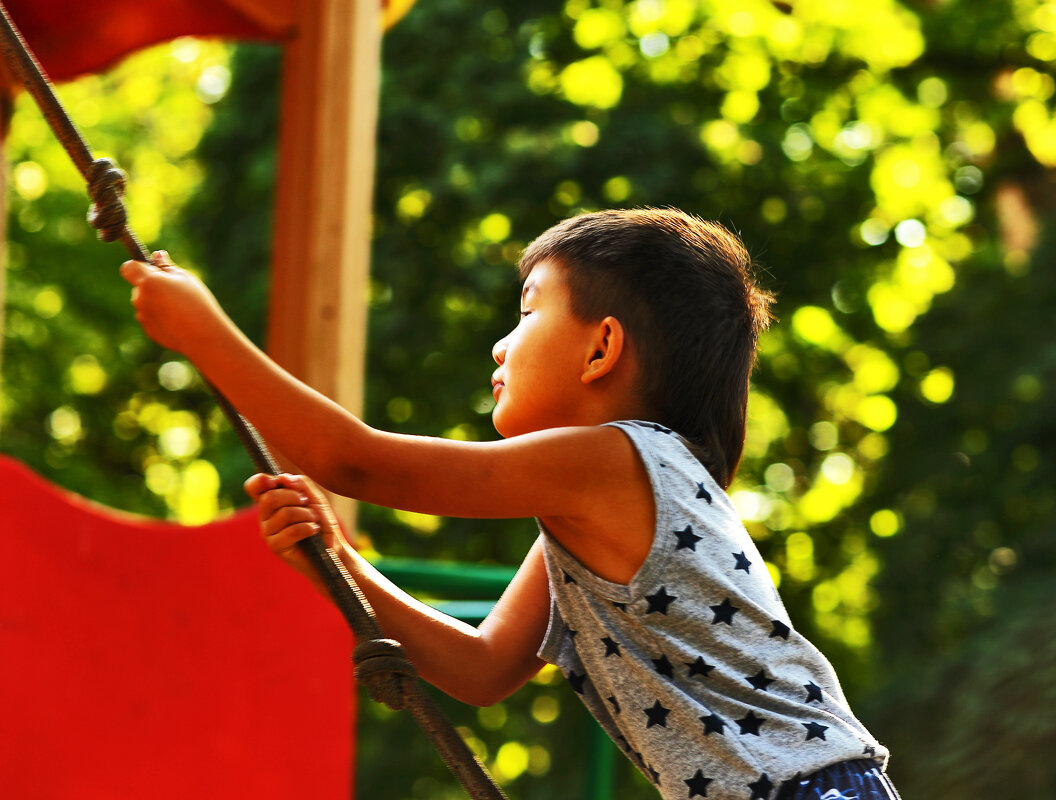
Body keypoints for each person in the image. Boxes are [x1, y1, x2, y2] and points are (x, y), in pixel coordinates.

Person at [120, 208, 900, 800]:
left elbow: (353, 460)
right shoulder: (602, 507)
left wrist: (204, 334)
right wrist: (343, 567)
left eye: (528, 310)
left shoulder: (614, 458)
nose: (501, 344)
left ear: (601, 348)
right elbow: (484, 668)